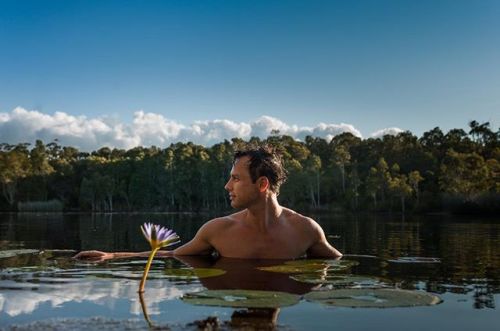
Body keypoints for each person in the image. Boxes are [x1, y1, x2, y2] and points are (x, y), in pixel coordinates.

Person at [74, 146, 342, 261]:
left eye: (235, 179)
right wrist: (111, 256)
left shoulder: (306, 230)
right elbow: (171, 255)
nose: (227, 186)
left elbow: (339, 263)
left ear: (262, 185)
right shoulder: (217, 230)